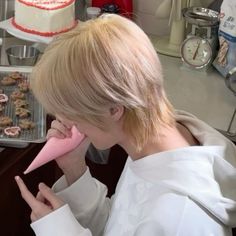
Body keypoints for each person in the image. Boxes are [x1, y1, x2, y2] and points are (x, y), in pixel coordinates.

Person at [15, 14, 236, 236]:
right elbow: (120, 226)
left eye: (73, 113)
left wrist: (59, 231)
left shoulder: (181, 219)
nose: (67, 123)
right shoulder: (151, 143)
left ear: (113, 110)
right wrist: (74, 168)